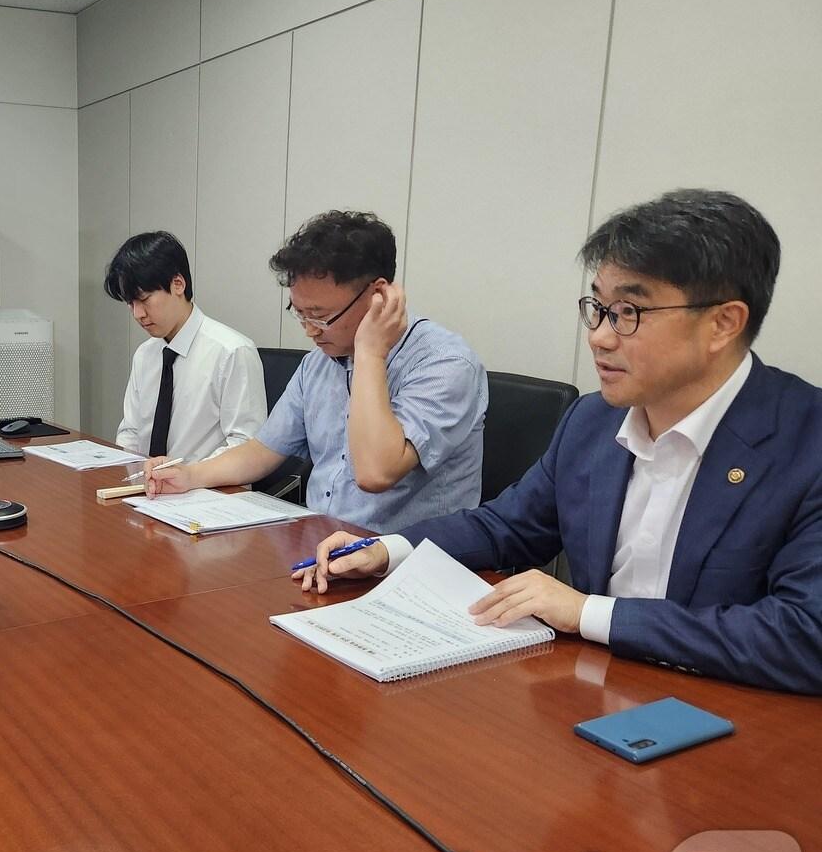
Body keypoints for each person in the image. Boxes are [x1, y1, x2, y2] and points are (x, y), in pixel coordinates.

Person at [294, 190, 822, 695]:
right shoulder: (592, 421)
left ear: (722, 324)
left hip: (739, 727)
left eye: (628, 313)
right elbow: (507, 526)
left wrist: (585, 612)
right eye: (597, 307)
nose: (599, 336)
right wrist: (387, 550)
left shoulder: (805, 441)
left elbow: (805, 635)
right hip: (596, 694)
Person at [147, 212, 487, 531]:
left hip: (408, 561)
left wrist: (370, 352)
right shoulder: (319, 361)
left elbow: (375, 473)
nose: (310, 330)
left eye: (321, 316)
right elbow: (264, 451)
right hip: (322, 543)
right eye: (300, 313)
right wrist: (189, 475)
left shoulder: (446, 364)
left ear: (378, 294)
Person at [108, 232, 266, 462]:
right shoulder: (145, 354)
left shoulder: (232, 352)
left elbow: (246, 446)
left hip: (207, 490)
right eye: (130, 304)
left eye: (144, 300)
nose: (138, 314)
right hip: (146, 489)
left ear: (178, 284)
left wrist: (188, 476)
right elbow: (130, 432)